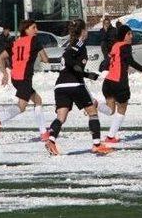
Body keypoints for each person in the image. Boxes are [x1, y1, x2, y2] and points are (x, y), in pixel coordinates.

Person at [43, 19, 113, 156]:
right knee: (92, 112)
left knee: (61, 117)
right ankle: (97, 145)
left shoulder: (69, 44)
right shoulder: (79, 44)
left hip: (60, 85)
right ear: (82, 32)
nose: (87, 32)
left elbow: (70, 62)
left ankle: (51, 140)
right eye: (86, 29)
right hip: (74, 84)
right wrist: (85, 73)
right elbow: (71, 60)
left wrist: (86, 74)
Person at [0, 20, 50, 139]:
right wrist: (40, 54)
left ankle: (44, 132)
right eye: (34, 28)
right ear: (26, 29)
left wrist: (5, 73)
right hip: (24, 78)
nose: (36, 30)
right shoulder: (34, 41)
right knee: (22, 106)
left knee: (37, 100)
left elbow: (1, 57)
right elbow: (45, 59)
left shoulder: (15, 42)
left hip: (15, 78)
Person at [101, 25, 142, 143]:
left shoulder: (115, 46)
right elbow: (130, 61)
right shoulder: (125, 46)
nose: (131, 36)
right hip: (119, 83)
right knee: (122, 108)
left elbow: (108, 62)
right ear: (123, 35)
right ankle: (111, 137)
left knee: (110, 110)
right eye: (129, 34)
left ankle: (95, 104)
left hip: (108, 82)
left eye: (131, 33)